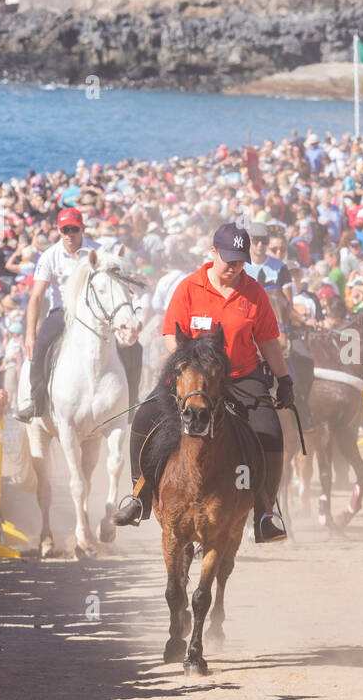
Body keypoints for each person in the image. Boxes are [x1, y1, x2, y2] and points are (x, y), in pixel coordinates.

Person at [112, 223, 292, 544]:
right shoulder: (189, 288)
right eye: (228, 259)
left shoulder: (254, 293)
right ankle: (139, 495)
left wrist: (284, 378)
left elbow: (268, 342)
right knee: (143, 418)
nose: (234, 266)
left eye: (240, 260)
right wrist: (190, 366)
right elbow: (171, 335)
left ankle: (265, 511)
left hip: (241, 377)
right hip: (191, 378)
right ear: (213, 253)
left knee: (271, 431)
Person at [16, 207, 99, 421]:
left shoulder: (97, 251)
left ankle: (130, 398)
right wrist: (30, 334)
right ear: (59, 231)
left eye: (73, 229)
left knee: (130, 346)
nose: (69, 235)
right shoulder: (50, 256)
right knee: (40, 348)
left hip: (94, 312)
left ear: (82, 229)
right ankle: (36, 402)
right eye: (65, 230)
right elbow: (36, 297)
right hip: (62, 311)